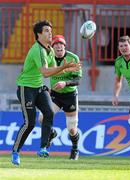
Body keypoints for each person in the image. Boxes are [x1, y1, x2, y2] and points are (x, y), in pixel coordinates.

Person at [11, 20, 81, 165]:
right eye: (47, 31)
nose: (51, 33)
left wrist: (67, 69)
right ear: (39, 34)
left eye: (51, 30)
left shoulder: (49, 49)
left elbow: (54, 69)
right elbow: (46, 72)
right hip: (26, 88)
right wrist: (65, 67)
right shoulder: (38, 50)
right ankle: (15, 152)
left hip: (39, 87)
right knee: (30, 123)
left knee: (48, 113)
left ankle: (43, 147)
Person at [39, 35, 82, 160]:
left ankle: (75, 149)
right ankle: (52, 133)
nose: (58, 46)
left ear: (64, 46)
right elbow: (44, 72)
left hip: (70, 95)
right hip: (55, 95)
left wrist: (65, 83)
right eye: (55, 44)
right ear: (52, 47)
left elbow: (78, 79)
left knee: (72, 129)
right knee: (42, 118)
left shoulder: (73, 58)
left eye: (61, 44)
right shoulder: (49, 57)